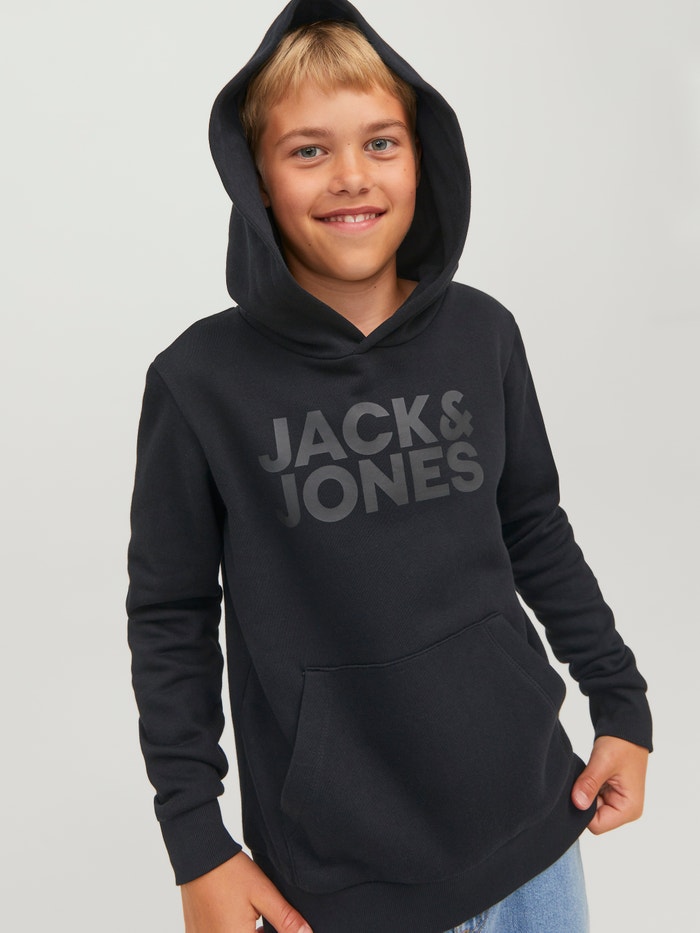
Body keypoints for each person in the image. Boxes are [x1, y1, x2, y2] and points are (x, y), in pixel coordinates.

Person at [126, 1, 652, 931]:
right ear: (256, 178)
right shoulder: (200, 382)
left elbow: (535, 527)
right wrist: (196, 840)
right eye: (308, 150)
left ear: (421, 157)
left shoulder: (483, 333)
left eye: (380, 142)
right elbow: (171, 615)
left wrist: (620, 701)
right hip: (341, 876)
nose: (351, 176)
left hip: (536, 822)